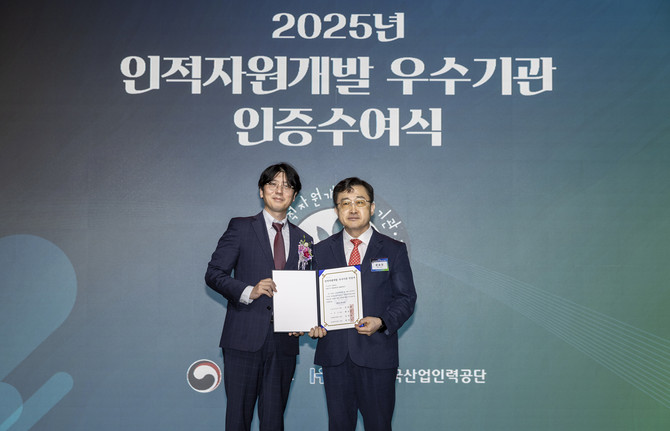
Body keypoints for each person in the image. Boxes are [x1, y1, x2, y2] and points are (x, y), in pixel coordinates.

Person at [205, 163, 313, 431]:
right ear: (261, 191)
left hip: (284, 343)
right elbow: (214, 274)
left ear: (295, 195)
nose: (279, 190)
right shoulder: (241, 227)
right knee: (238, 419)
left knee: (274, 421)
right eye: (272, 184)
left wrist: (303, 319)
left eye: (287, 186)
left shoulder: (305, 240)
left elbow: (306, 287)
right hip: (243, 338)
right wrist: (248, 291)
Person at [309, 177, 417, 431]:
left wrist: (382, 321)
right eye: (345, 203)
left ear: (372, 207)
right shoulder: (320, 251)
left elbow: (406, 297)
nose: (353, 209)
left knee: (378, 425)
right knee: (339, 425)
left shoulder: (393, 249)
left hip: (377, 353)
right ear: (337, 210)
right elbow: (311, 298)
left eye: (360, 202)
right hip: (335, 355)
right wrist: (311, 322)